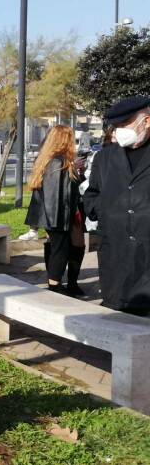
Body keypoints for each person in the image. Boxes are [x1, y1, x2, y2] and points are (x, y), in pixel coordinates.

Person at [83, 96, 150, 315]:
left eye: (124, 125)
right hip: (115, 254)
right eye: (117, 126)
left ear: (147, 121)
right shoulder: (104, 157)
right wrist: (104, 213)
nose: (119, 131)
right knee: (118, 319)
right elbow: (91, 195)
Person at [24, 126, 85, 297]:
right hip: (58, 215)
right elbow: (56, 194)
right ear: (64, 140)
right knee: (61, 250)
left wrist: (76, 170)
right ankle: (54, 285)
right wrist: (73, 168)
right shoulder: (57, 162)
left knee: (64, 247)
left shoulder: (52, 160)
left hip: (60, 214)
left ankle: (59, 283)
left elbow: (67, 187)